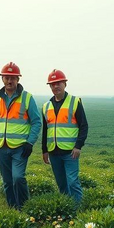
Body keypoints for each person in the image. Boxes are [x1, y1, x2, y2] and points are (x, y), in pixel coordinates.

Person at [0, 62, 42, 209]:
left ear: (18, 79)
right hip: (1, 147)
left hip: (20, 148)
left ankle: (24, 206)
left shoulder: (27, 98)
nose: (10, 81)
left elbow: (36, 122)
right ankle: (13, 208)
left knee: (18, 178)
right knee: (7, 181)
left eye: (13, 78)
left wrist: (30, 143)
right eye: (7, 78)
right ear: (2, 79)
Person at [41, 69, 88, 204]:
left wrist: (78, 146)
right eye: (52, 84)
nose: (56, 86)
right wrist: (44, 150)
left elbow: (84, 126)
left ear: (65, 84)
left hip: (70, 152)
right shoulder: (46, 106)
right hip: (53, 152)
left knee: (73, 182)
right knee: (61, 185)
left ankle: (78, 209)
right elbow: (46, 130)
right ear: (50, 86)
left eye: (58, 83)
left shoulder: (75, 102)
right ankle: (67, 209)